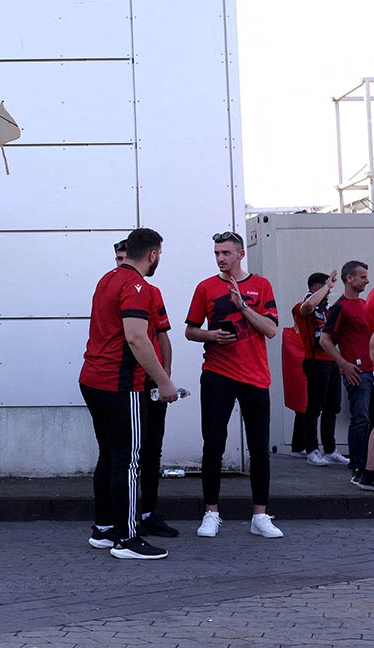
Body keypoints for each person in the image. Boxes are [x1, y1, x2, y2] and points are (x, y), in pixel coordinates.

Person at [79, 228, 178, 560]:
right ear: (153, 254)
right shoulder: (137, 287)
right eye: (159, 254)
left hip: (93, 380)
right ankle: (127, 539)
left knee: (110, 456)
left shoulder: (107, 279)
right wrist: (164, 381)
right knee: (129, 460)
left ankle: (104, 529)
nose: (158, 259)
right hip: (119, 385)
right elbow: (137, 338)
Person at [185, 230, 282, 539]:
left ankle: (260, 516)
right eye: (216, 253)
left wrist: (242, 306)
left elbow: (271, 329)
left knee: (259, 449)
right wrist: (211, 336)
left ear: (240, 254)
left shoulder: (261, 285)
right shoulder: (206, 287)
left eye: (226, 253)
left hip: (255, 376)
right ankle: (211, 512)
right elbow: (190, 330)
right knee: (213, 445)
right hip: (217, 374)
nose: (220, 259)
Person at [112, 239, 179, 539]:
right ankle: (124, 522)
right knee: (127, 454)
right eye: (117, 257)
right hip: (125, 383)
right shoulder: (115, 287)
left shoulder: (150, 292)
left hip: (150, 382)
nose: (121, 262)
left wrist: (164, 377)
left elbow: (162, 336)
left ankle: (149, 513)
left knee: (152, 450)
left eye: (125, 257)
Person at [319, 260, 372, 481]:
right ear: (349, 278)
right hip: (357, 372)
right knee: (360, 419)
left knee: (368, 421)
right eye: (362, 277)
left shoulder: (364, 305)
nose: (367, 280)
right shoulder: (340, 307)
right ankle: (358, 468)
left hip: (369, 370)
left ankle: (368, 467)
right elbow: (325, 340)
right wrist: (344, 364)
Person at [291, 270, 347, 465]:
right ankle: (312, 450)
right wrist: (327, 286)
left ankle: (330, 449)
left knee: (333, 406)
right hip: (315, 361)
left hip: (332, 360)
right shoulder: (302, 306)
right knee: (314, 407)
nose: (329, 292)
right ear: (317, 287)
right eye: (325, 287)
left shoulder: (329, 308)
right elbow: (309, 306)